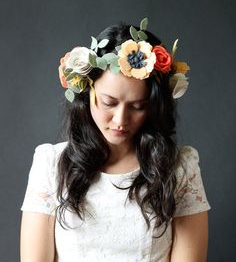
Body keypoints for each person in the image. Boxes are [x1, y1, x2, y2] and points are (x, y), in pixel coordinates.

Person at [20, 18, 210, 262]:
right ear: (87, 93)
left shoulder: (179, 167)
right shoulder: (51, 164)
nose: (121, 120)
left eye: (138, 107)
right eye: (109, 103)